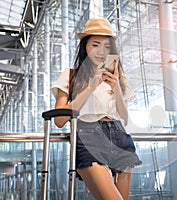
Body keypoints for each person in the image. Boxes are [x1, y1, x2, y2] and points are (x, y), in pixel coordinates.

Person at [50, 18, 142, 199]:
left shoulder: (117, 78)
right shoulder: (71, 75)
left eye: (107, 46)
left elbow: (124, 117)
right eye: (96, 44)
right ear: (85, 46)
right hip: (88, 135)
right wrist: (90, 88)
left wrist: (116, 88)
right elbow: (59, 120)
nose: (101, 51)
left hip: (119, 136)